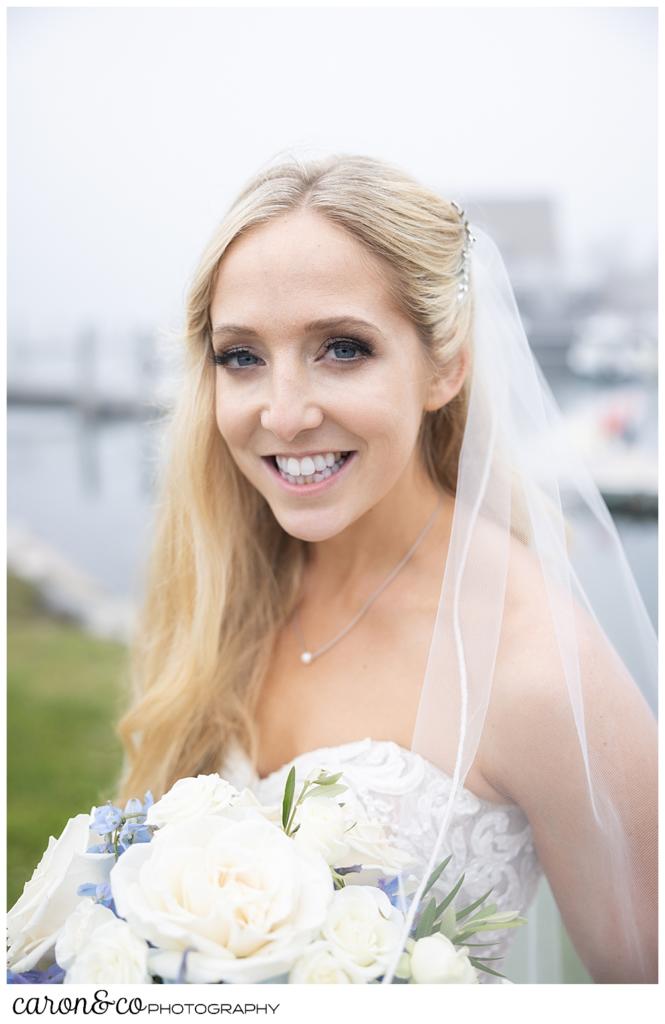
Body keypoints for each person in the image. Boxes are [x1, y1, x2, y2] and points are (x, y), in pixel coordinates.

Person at [115, 153, 657, 984]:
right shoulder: (226, 585)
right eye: (241, 357)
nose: (284, 413)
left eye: (340, 348)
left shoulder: (538, 669)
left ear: (445, 365)